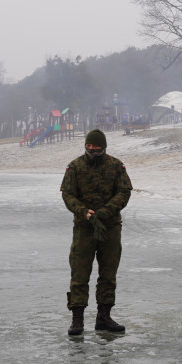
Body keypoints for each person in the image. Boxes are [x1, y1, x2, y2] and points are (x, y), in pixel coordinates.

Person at [61, 129, 133, 336]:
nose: (92, 150)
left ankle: (104, 317)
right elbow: (67, 194)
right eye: (89, 146)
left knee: (108, 273)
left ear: (104, 147)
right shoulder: (75, 166)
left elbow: (124, 191)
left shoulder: (115, 165)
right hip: (84, 227)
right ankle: (77, 319)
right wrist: (84, 212)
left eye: (96, 147)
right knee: (79, 273)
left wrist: (106, 211)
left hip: (109, 226)